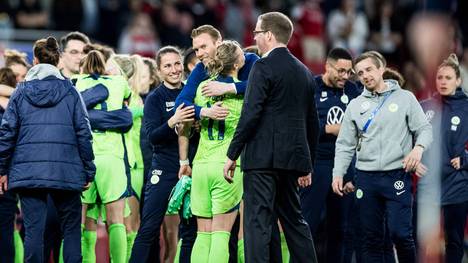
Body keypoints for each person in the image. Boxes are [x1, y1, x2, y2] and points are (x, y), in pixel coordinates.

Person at [224, 12, 319, 263]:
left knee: (257, 222)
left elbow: (250, 113)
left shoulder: (262, 66)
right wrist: (307, 163)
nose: (254, 36)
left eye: (256, 32)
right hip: (293, 161)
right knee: (294, 221)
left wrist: (232, 153)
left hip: (262, 159)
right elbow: (313, 123)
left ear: (268, 34)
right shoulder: (305, 71)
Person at [0, 36, 95, 263]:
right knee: (71, 231)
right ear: (57, 60)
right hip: (67, 171)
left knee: (33, 232)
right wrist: (88, 169)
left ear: (34, 60)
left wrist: (2, 169)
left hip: (29, 172)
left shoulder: (20, 92)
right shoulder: (71, 92)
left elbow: (7, 133)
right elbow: (84, 132)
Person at [332, 51, 432, 263]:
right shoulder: (355, 105)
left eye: (369, 69)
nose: (365, 75)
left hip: (397, 175)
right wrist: (338, 173)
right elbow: (344, 144)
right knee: (370, 239)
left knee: (400, 234)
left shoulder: (405, 98)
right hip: (366, 178)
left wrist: (418, 149)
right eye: (360, 73)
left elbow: (424, 129)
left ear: (381, 69)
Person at [178, 40, 246, 263]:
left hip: (201, 166)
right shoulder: (244, 92)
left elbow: (184, 112)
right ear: (236, 64)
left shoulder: (201, 88)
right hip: (227, 166)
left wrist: (203, 112)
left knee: (203, 233)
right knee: (221, 234)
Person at [129, 46, 195, 263]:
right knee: (148, 227)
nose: (174, 69)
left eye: (177, 64)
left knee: (190, 231)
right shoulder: (155, 98)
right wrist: (173, 121)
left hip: (191, 168)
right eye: (167, 65)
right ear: (158, 70)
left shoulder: (191, 91)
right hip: (164, 167)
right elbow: (153, 137)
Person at [299, 47, 360, 262]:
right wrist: (327, 129)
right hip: (316, 164)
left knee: (340, 227)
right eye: (340, 71)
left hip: (344, 166)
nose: (345, 76)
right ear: (327, 66)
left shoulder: (354, 91)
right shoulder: (310, 87)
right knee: (307, 224)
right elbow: (300, 123)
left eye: (348, 72)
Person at [74, 51, 132, 263]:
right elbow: (126, 113)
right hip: (112, 159)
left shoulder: (74, 83)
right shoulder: (119, 82)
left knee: (82, 223)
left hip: (84, 159)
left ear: (83, 68)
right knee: (116, 221)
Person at [420, 54, 468, 263]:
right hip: (427, 186)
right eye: (439, 78)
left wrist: (466, 159)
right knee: (420, 241)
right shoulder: (424, 107)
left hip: (457, 185)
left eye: (448, 78)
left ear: (458, 81)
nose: (443, 82)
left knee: (454, 241)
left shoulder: (466, 107)